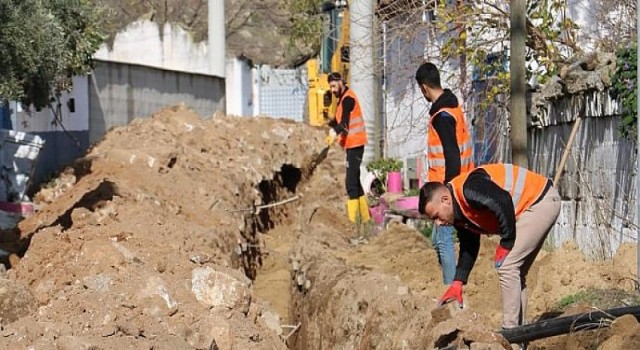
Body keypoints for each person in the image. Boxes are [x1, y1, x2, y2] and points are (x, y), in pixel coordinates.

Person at [418, 163, 561, 332]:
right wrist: (458, 282)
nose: (438, 224)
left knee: (508, 266)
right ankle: (520, 338)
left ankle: (510, 332)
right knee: (516, 272)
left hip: (539, 201)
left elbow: (502, 200)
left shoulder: (469, 189)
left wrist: (506, 242)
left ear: (445, 200)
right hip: (535, 204)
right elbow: (469, 246)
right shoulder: (457, 213)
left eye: (436, 216)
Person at [415, 62, 474, 285]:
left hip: (447, 191)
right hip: (461, 185)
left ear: (424, 88)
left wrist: (446, 194)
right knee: (439, 241)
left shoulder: (442, 117)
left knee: (444, 241)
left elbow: (451, 156)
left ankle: (451, 291)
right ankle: (454, 287)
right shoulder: (454, 109)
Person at [326, 72, 370, 224]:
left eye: (333, 85)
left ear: (340, 82)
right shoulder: (342, 100)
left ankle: (354, 222)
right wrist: (330, 123)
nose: (332, 89)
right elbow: (340, 122)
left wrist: (334, 131)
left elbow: (344, 125)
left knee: (350, 183)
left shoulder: (348, 99)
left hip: (356, 144)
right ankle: (365, 219)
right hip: (352, 145)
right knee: (355, 182)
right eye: (330, 87)